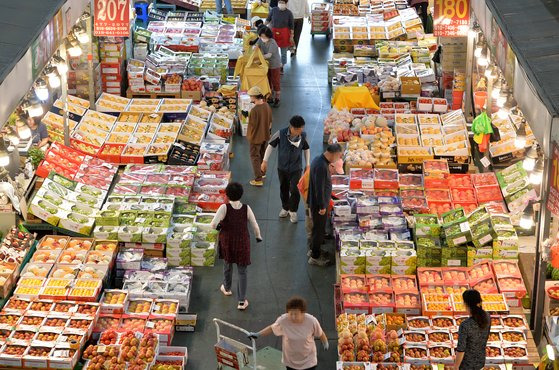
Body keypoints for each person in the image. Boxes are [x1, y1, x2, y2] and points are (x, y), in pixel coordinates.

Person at [210, 182, 262, 311]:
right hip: (242, 242)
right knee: (242, 271)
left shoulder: (224, 208)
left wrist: (219, 227)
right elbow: (254, 224)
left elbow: (213, 224)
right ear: (241, 194)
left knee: (227, 265)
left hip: (227, 241)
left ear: (226, 195)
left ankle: (227, 288)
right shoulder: (246, 208)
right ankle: (241, 301)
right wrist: (258, 236)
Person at [248, 296, 328, 370]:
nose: (293, 317)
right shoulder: (283, 320)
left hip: (308, 361)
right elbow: (271, 328)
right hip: (290, 361)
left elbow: (320, 333)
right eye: (290, 314)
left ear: (303, 312)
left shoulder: (312, 321)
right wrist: (257, 334)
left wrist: (325, 342)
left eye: (296, 314)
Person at [261, 115, 310, 223]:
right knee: (284, 188)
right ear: (292, 128)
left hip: (296, 168)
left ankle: (293, 211)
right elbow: (270, 146)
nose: (301, 130)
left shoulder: (303, 136)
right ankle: (285, 208)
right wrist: (265, 161)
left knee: (295, 190)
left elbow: (306, 149)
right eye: (300, 129)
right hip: (282, 168)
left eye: (302, 128)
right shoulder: (281, 133)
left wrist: (307, 164)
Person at [299, 158, 344, 256]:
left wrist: (333, 196)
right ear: (331, 166)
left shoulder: (325, 168)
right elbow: (317, 192)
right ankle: (311, 238)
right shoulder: (319, 172)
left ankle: (320, 234)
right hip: (306, 191)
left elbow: (325, 187)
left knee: (319, 218)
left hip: (314, 190)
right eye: (335, 170)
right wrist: (325, 205)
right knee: (310, 213)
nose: (334, 173)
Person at [307, 144, 343, 266]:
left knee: (317, 228)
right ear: (333, 154)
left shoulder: (319, 160)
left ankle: (313, 249)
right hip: (318, 204)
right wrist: (322, 206)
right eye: (338, 156)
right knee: (319, 230)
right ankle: (315, 257)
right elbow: (319, 188)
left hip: (317, 202)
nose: (337, 159)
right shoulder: (321, 166)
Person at [455, 289, 491, 370]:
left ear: (466, 304)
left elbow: (461, 349)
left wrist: (456, 366)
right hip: (480, 362)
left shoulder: (465, 325)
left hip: (466, 365)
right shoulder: (487, 317)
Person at [246, 86, 273, 187]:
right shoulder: (266, 106)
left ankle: (258, 179)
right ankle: (262, 173)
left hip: (256, 137)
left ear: (254, 97)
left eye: (250, 96)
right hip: (265, 135)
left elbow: (252, 125)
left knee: (254, 157)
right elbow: (270, 121)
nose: (250, 98)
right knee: (262, 154)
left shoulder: (254, 110)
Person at [254, 27, 282, 107]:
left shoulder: (272, 43)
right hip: (266, 65)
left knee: (275, 81)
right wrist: (255, 47)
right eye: (261, 36)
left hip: (274, 64)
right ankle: (270, 96)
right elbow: (257, 44)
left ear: (268, 36)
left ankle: (277, 98)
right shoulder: (261, 39)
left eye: (264, 37)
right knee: (268, 80)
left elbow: (269, 55)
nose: (263, 38)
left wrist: (259, 58)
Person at [265, 0, 294, 70]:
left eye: (283, 2)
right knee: (272, 49)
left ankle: (282, 65)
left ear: (286, 3)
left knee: (283, 51)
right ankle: (272, 63)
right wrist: (263, 27)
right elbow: (268, 19)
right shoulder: (273, 10)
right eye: (280, 2)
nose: (281, 4)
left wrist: (291, 36)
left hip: (284, 33)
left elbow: (291, 25)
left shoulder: (289, 13)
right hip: (274, 32)